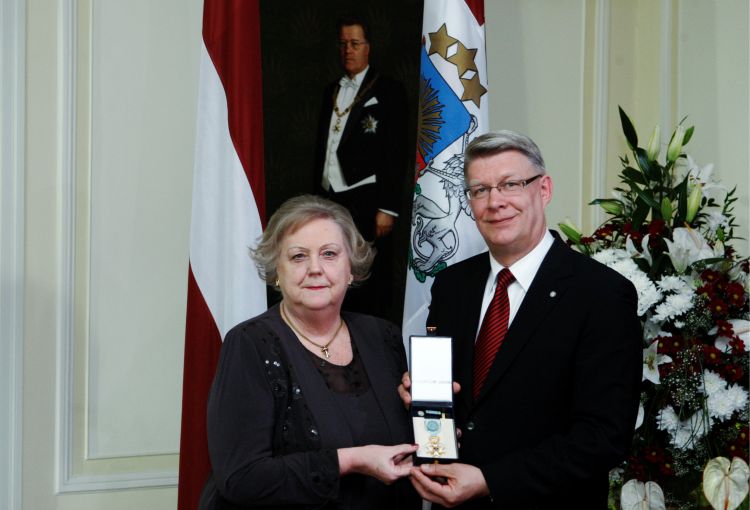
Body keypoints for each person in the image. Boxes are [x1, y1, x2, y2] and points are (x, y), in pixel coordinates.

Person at [400, 131, 642, 508]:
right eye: (480, 190)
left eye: (510, 184)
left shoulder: (602, 294)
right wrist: (421, 397)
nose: (495, 202)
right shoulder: (451, 285)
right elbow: (463, 402)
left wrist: (490, 481)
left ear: (544, 190)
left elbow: (603, 438)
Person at [200, 195, 420, 510]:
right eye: (299, 256)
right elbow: (241, 478)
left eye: (329, 254)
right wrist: (351, 460)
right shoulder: (250, 344)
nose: (315, 269)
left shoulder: (383, 336)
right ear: (277, 271)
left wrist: (431, 431)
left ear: (351, 268)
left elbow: (400, 444)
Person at [313, 15, 409, 321]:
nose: (348, 50)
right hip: (330, 198)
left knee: (369, 278)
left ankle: (370, 336)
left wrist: (388, 208)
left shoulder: (389, 90)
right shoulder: (331, 90)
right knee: (332, 271)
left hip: (367, 198)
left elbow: (396, 151)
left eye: (355, 43)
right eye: (343, 44)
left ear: (369, 47)